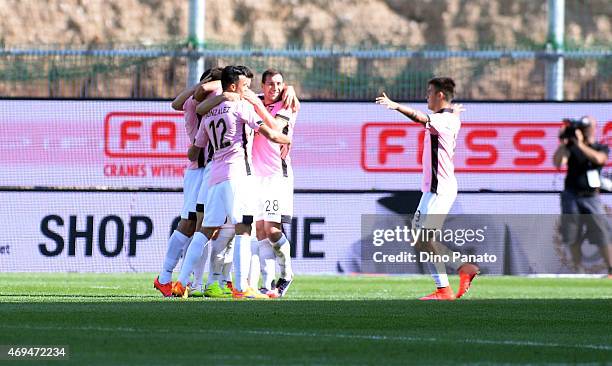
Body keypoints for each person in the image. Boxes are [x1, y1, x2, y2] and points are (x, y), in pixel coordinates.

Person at [172, 65, 291, 299]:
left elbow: (194, 151)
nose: (248, 91)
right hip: (238, 175)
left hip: (214, 177)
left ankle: (181, 282)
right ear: (233, 86)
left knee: (205, 230)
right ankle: (240, 286)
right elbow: (271, 134)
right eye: (245, 86)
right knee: (244, 230)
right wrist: (289, 140)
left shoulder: (208, 116)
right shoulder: (241, 107)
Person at [375, 77, 478, 301]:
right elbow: (448, 116)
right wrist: (455, 110)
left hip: (439, 188)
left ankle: (455, 277)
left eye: (430, 92)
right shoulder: (451, 118)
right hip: (432, 189)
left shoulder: (442, 121)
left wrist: (396, 106)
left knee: (424, 238)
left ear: (440, 95)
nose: (426, 96)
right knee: (420, 238)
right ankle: (448, 283)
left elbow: (420, 118)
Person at [153, 67, 222, 297]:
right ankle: (165, 277)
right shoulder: (196, 102)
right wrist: (217, 85)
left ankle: (193, 281)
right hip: (199, 171)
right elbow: (182, 100)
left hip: (212, 170)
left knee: (204, 228)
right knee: (190, 224)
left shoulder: (211, 103)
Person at [553, 116, 612, 276]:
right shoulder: (571, 147)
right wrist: (563, 144)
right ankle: (578, 270)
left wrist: (580, 144)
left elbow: (599, 159)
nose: (584, 130)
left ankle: (610, 269)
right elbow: (558, 162)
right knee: (572, 233)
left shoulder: (600, 147)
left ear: (594, 128)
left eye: (587, 127)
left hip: (591, 196)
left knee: (601, 232)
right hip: (572, 194)